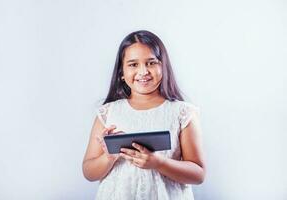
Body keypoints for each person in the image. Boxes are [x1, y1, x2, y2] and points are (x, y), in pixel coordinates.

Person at [82, 30, 205, 200]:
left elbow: (198, 174)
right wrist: (109, 157)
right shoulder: (108, 113)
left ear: (163, 66)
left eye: (151, 63)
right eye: (133, 64)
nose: (143, 71)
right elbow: (89, 172)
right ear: (121, 73)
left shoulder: (182, 113)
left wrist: (159, 163)